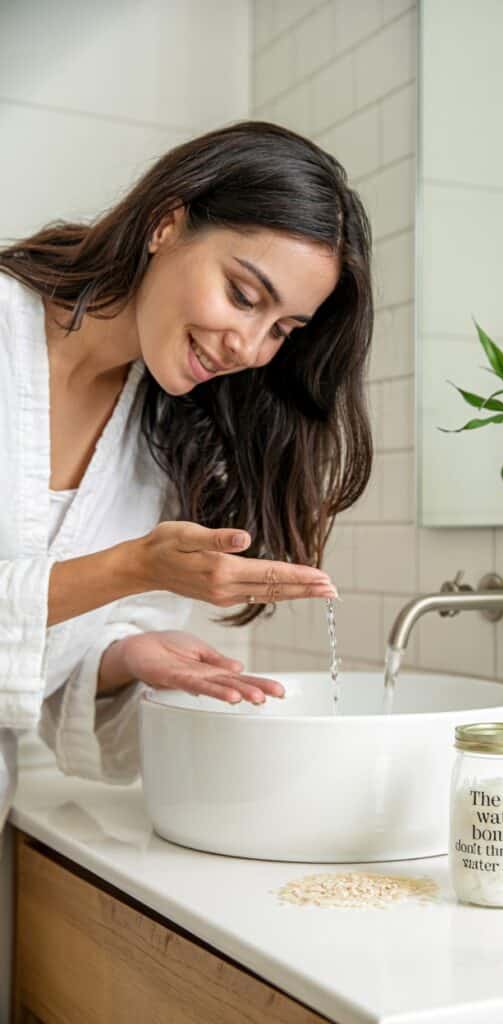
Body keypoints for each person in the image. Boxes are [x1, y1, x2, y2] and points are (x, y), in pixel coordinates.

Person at [0, 120, 373, 829]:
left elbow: (29, 662)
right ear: (167, 223)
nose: (249, 347)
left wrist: (122, 656)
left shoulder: (165, 435)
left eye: (283, 331)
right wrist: (135, 568)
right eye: (242, 295)